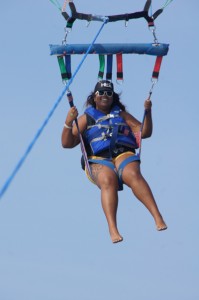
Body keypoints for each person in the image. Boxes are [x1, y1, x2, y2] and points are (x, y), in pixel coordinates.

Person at [61, 80, 167, 243]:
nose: (105, 96)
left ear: (113, 97)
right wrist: (68, 122)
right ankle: (113, 229)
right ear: (94, 97)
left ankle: (157, 216)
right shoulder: (85, 118)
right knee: (107, 180)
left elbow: (144, 132)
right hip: (98, 159)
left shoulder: (122, 115)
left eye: (109, 93)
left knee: (132, 174)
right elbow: (67, 144)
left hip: (122, 153)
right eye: (101, 93)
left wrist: (148, 111)